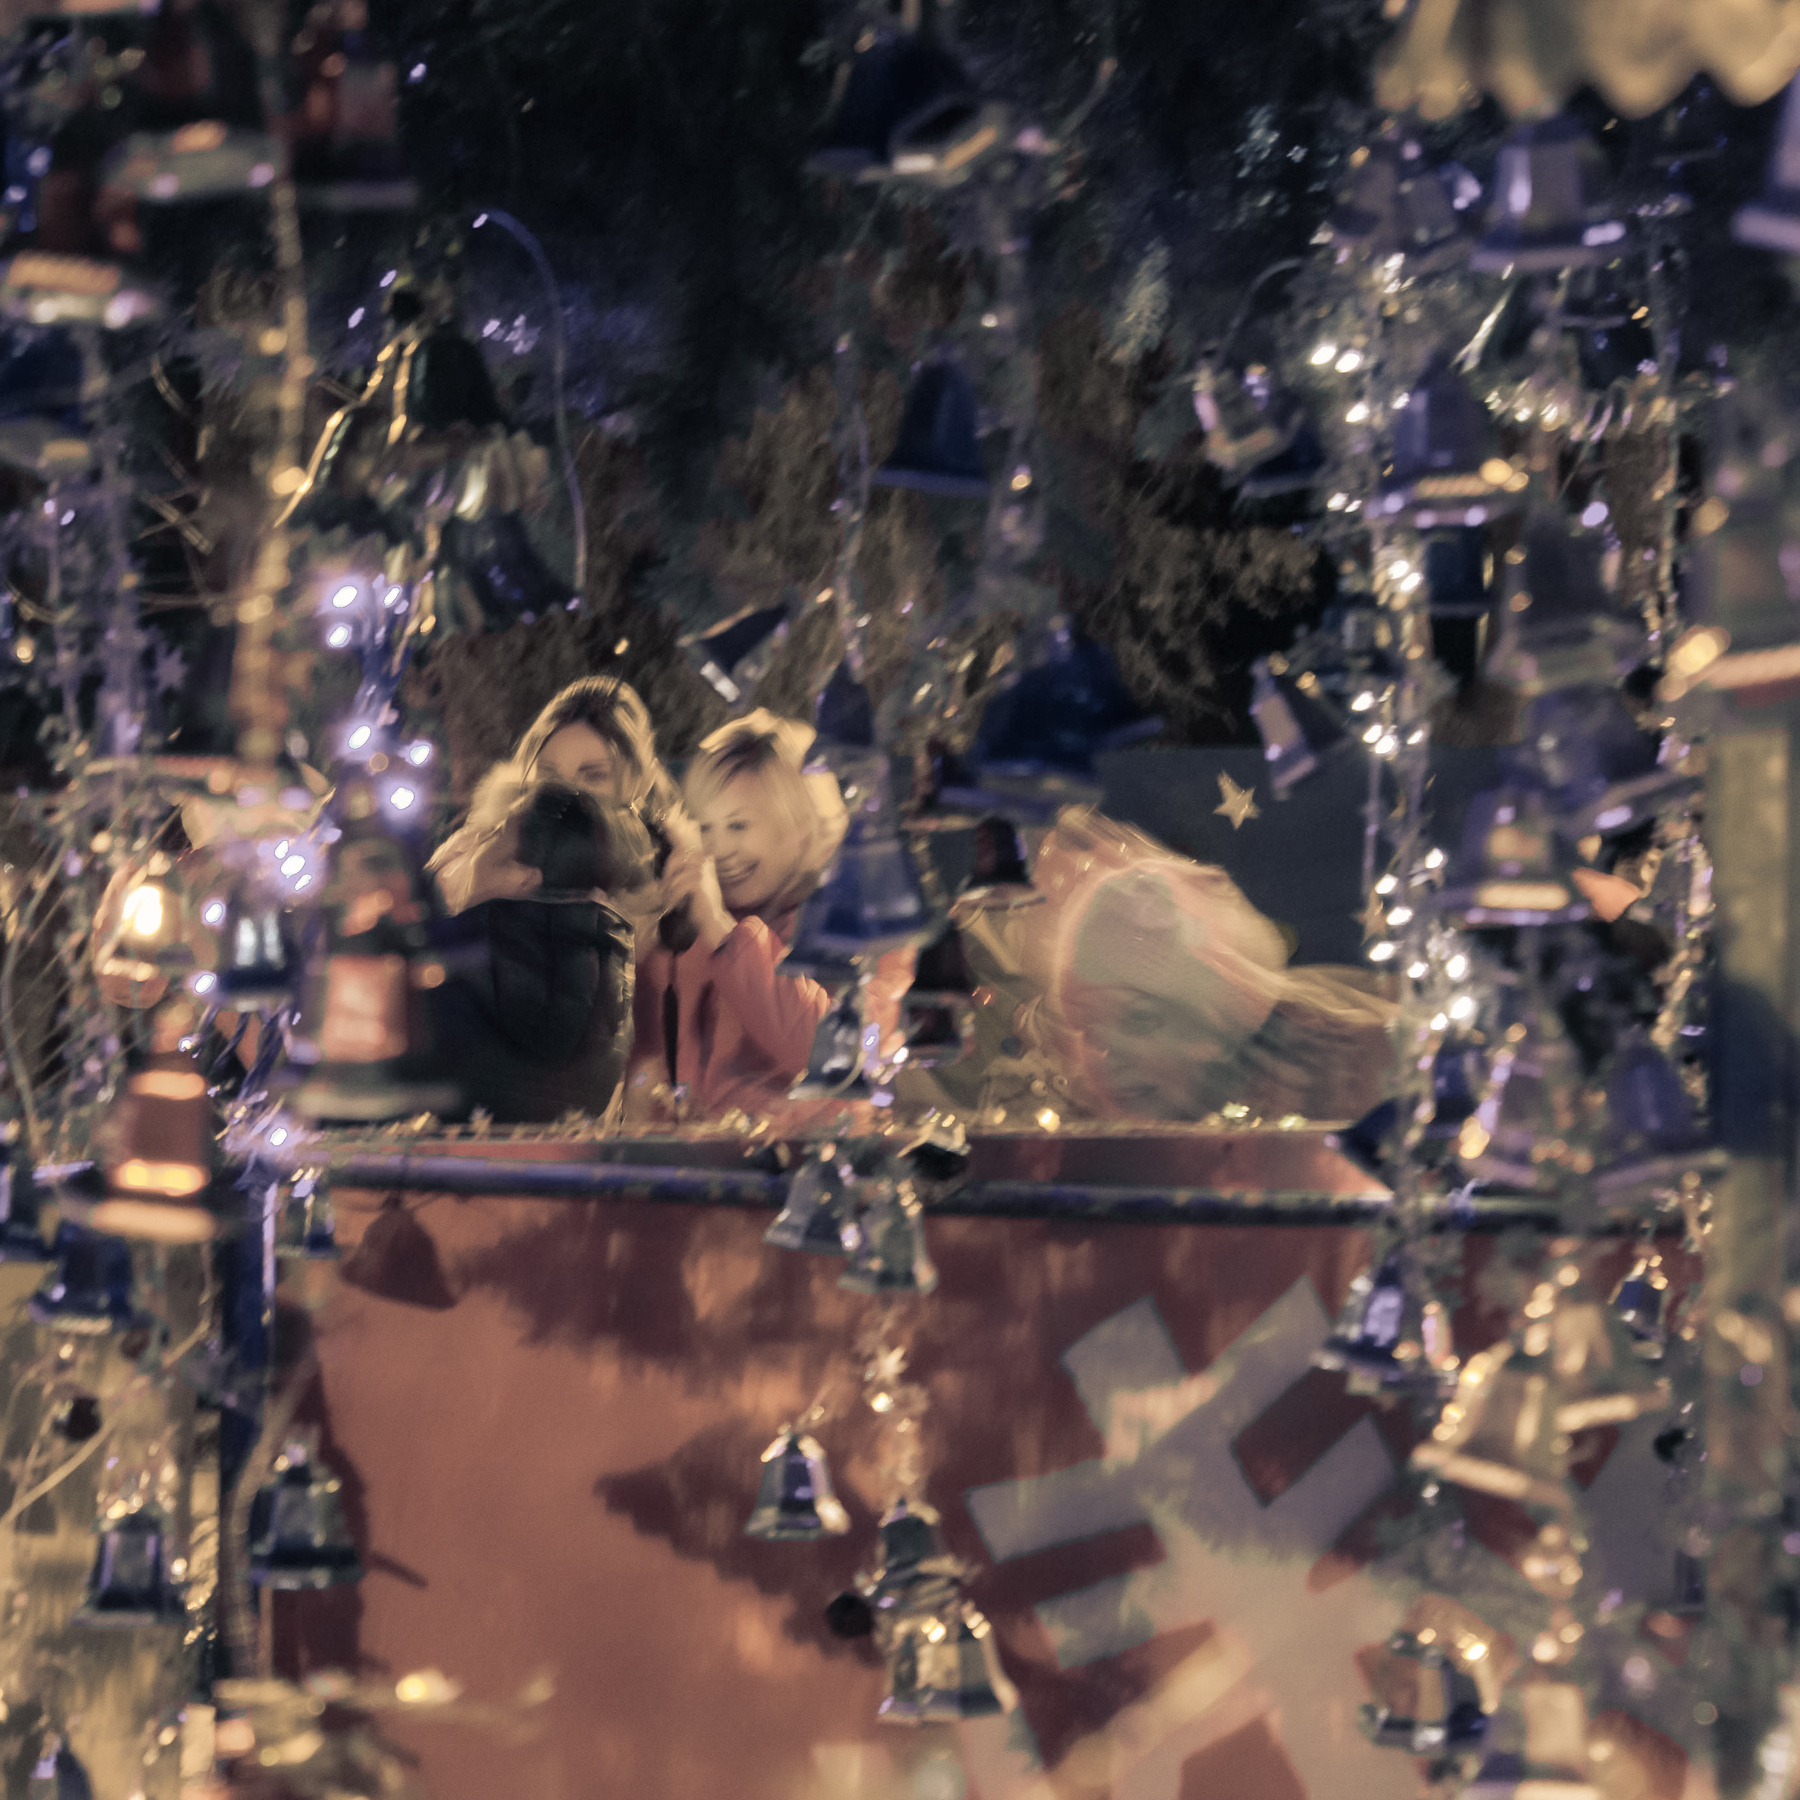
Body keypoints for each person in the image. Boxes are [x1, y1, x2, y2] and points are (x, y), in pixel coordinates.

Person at [951, 806, 1398, 1125]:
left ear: (1217, 1019)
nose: (1110, 1057)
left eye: (1140, 1019)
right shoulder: (1077, 1128)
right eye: (1091, 1031)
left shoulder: (1364, 1082)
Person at [626, 710, 910, 1121]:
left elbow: (837, 1053)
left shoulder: (866, 926)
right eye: (705, 828)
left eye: (739, 826)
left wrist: (726, 936)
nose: (720, 850)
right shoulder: (688, 933)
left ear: (801, 825)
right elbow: (643, 1069)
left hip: (810, 1156)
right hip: (699, 1158)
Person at [427, 675, 686, 914]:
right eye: (550, 777)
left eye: (593, 776)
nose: (568, 794)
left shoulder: (678, 890)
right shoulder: (475, 862)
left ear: (641, 781)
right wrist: (476, 899)